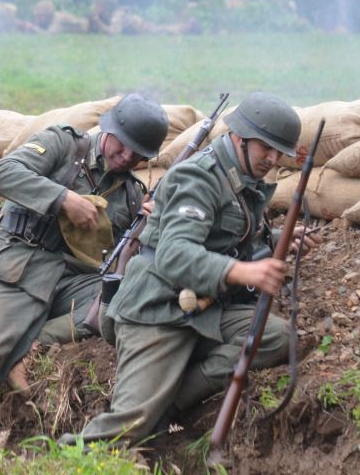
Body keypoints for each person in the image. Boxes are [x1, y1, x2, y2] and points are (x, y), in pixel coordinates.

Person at [68, 91, 303, 446]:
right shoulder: (200, 177)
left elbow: (222, 230)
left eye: (277, 152)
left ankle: (170, 404)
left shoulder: (239, 174)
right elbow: (175, 253)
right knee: (127, 429)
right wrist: (241, 272)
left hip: (202, 308)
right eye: (264, 148)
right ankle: (71, 458)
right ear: (240, 139)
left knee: (279, 338)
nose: (271, 159)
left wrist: (271, 239)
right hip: (156, 309)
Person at [0, 93, 170, 425]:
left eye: (137, 153)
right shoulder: (65, 145)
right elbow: (1, 174)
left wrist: (153, 225)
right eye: (122, 145)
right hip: (12, 265)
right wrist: (62, 198)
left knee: (123, 299)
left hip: (69, 281)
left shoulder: (131, 195)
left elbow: (125, 259)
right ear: (108, 131)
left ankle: (31, 344)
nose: (126, 157)